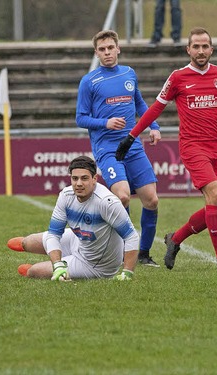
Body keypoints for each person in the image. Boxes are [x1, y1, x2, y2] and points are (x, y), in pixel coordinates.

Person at [115, 27, 217, 271]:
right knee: (215, 195)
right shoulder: (178, 77)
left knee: (216, 206)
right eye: (196, 46)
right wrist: (132, 136)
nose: (201, 50)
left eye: (205, 46)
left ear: (212, 49)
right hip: (192, 146)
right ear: (188, 50)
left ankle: (175, 239)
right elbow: (155, 108)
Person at [76, 30, 161, 268]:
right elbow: (81, 118)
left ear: (118, 48)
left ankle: (143, 254)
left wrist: (153, 126)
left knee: (152, 200)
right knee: (122, 196)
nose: (107, 53)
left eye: (110, 48)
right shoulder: (89, 81)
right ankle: (124, 249)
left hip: (132, 146)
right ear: (96, 53)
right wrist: (105, 123)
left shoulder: (129, 73)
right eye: (102, 50)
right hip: (107, 148)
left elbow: (140, 104)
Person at [6, 156, 140, 281]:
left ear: (95, 179)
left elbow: (131, 236)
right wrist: (58, 265)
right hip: (79, 239)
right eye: (75, 179)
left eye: (84, 178)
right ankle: (28, 247)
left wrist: (127, 273)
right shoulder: (66, 195)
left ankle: (31, 269)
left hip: (96, 264)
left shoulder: (107, 202)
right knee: (28, 242)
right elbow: (54, 234)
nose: (79, 183)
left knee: (34, 271)